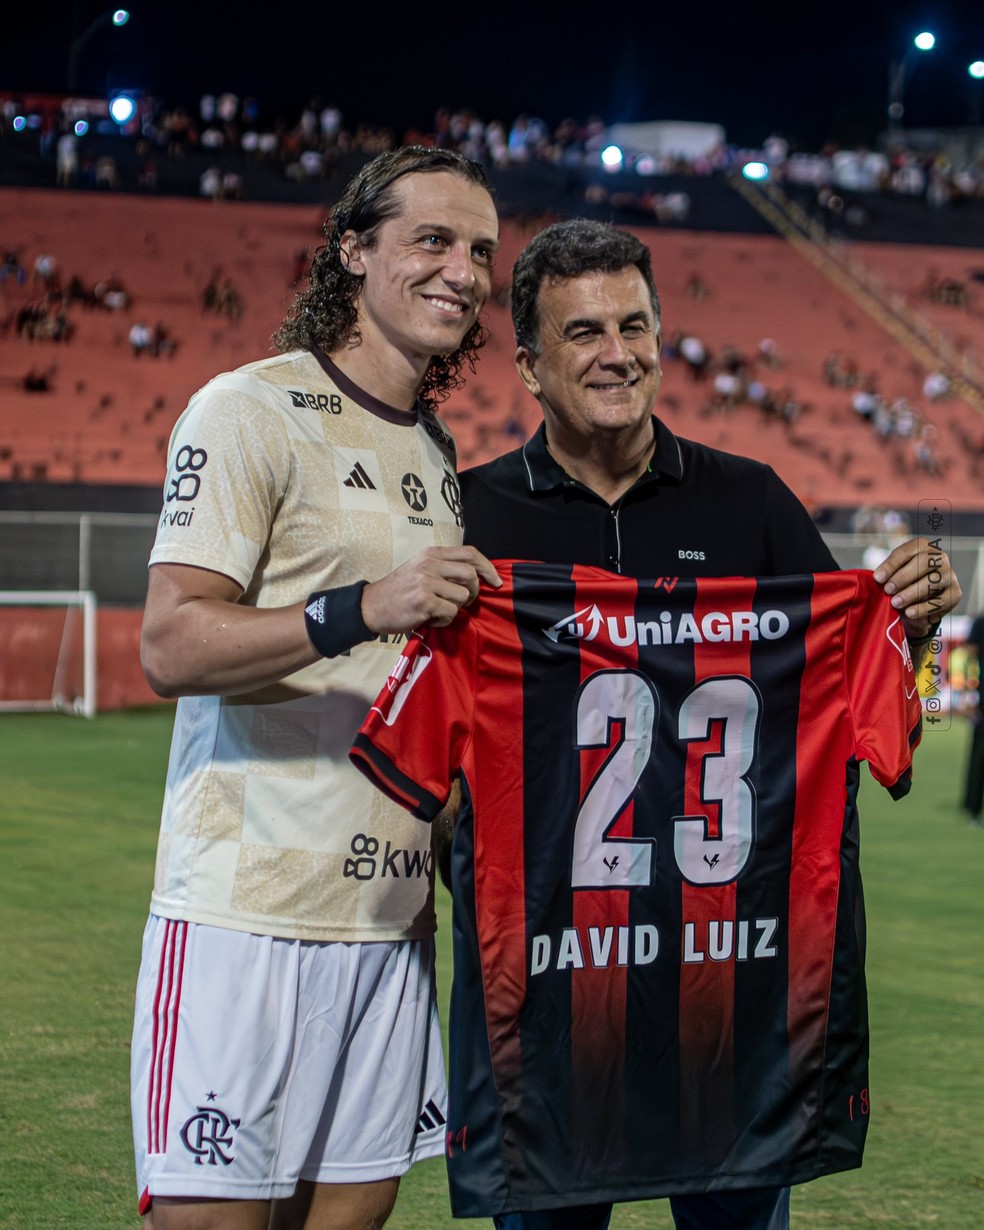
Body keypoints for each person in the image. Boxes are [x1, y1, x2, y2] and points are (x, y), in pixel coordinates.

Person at [454, 220, 960, 1229]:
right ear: (530, 365)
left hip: (733, 993)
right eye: (585, 331)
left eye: (635, 324)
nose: (618, 352)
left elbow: (857, 706)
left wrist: (913, 627)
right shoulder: (468, 518)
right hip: (548, 1002)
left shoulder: (752, 502)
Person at [129, 146, 501, 1230]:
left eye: (478, 250)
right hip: (246, 918)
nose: (463, 271)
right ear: (353, 250)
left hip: (389, 928)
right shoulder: (247, 410)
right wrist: (357, 605)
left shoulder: (434, 449)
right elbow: (170, 646)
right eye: (432, 240)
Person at [961, 612, 984, 826]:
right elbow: (969, 658)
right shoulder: (980, 622)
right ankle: (973, 808)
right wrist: (968, 694)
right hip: (983, 702)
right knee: (979, 758)